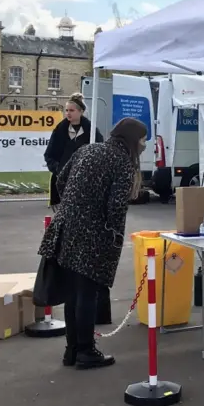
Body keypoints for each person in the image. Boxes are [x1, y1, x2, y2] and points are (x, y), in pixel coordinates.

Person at [38, 118, 148, 369]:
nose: (144, 144)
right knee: (86, 293)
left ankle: (72, 350)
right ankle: (86, 351)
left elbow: (60, 179)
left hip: (65, 227)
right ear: (132, 139)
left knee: (72, 293)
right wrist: (114, 235)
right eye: (142, 139)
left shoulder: (87, 149)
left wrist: (75, 204)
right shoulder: (122, 162)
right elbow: (116, 206)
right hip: (93, 234)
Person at [44, 92, 103, 208]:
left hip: (84, 182)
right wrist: (59, 169)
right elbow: (49, 155)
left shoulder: (92, 131)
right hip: (61, 183)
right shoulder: (59, 130)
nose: (68, 113)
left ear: (80, 111)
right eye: (66, 110)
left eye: (71, 110)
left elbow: (100, 152)